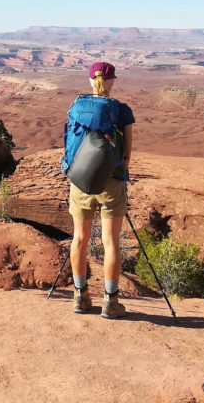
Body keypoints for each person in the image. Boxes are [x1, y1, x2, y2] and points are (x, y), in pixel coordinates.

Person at [66, 62, 135, 319]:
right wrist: (118, 173)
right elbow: (127, 154)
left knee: (79, 239)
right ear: (112, 81)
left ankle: (80, 297)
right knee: (110, 242)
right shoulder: (122, 110)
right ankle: (110, 302)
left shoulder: (76, 106)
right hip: (111, 183)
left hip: (80, 182)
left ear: (90, 80)